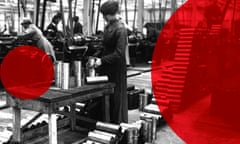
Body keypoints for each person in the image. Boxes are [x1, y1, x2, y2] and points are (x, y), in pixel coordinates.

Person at [94, 1, 128, 124]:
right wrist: (95, 55)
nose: (104, 17)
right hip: (106, 67)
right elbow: (105, 47)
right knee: (106, 95)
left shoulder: (121, 29)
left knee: (117, 97)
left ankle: (117, 123)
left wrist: (102, 61)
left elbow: (119, 54)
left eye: (105, 15)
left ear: (111, 14)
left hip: (116, 68)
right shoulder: (108, 27)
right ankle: (104, 121)